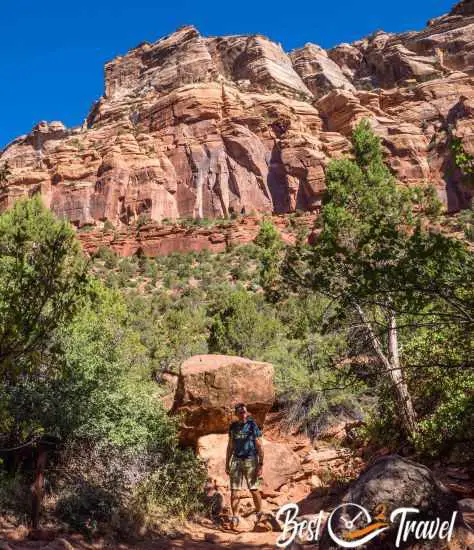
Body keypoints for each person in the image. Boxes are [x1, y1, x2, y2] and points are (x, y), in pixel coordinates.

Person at [225, 403, 264, 530]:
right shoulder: (233, 427)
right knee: (234, 490)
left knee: (254, 489)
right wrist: (227, 462)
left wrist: (260, 464)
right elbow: (230, 445)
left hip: (250, 460)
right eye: (241, 412)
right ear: (236, 414)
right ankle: (235, 517)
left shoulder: (252, 425)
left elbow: (259, 445)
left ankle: (260, 514)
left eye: (245, 412)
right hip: (236, 460)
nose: (243, 414)